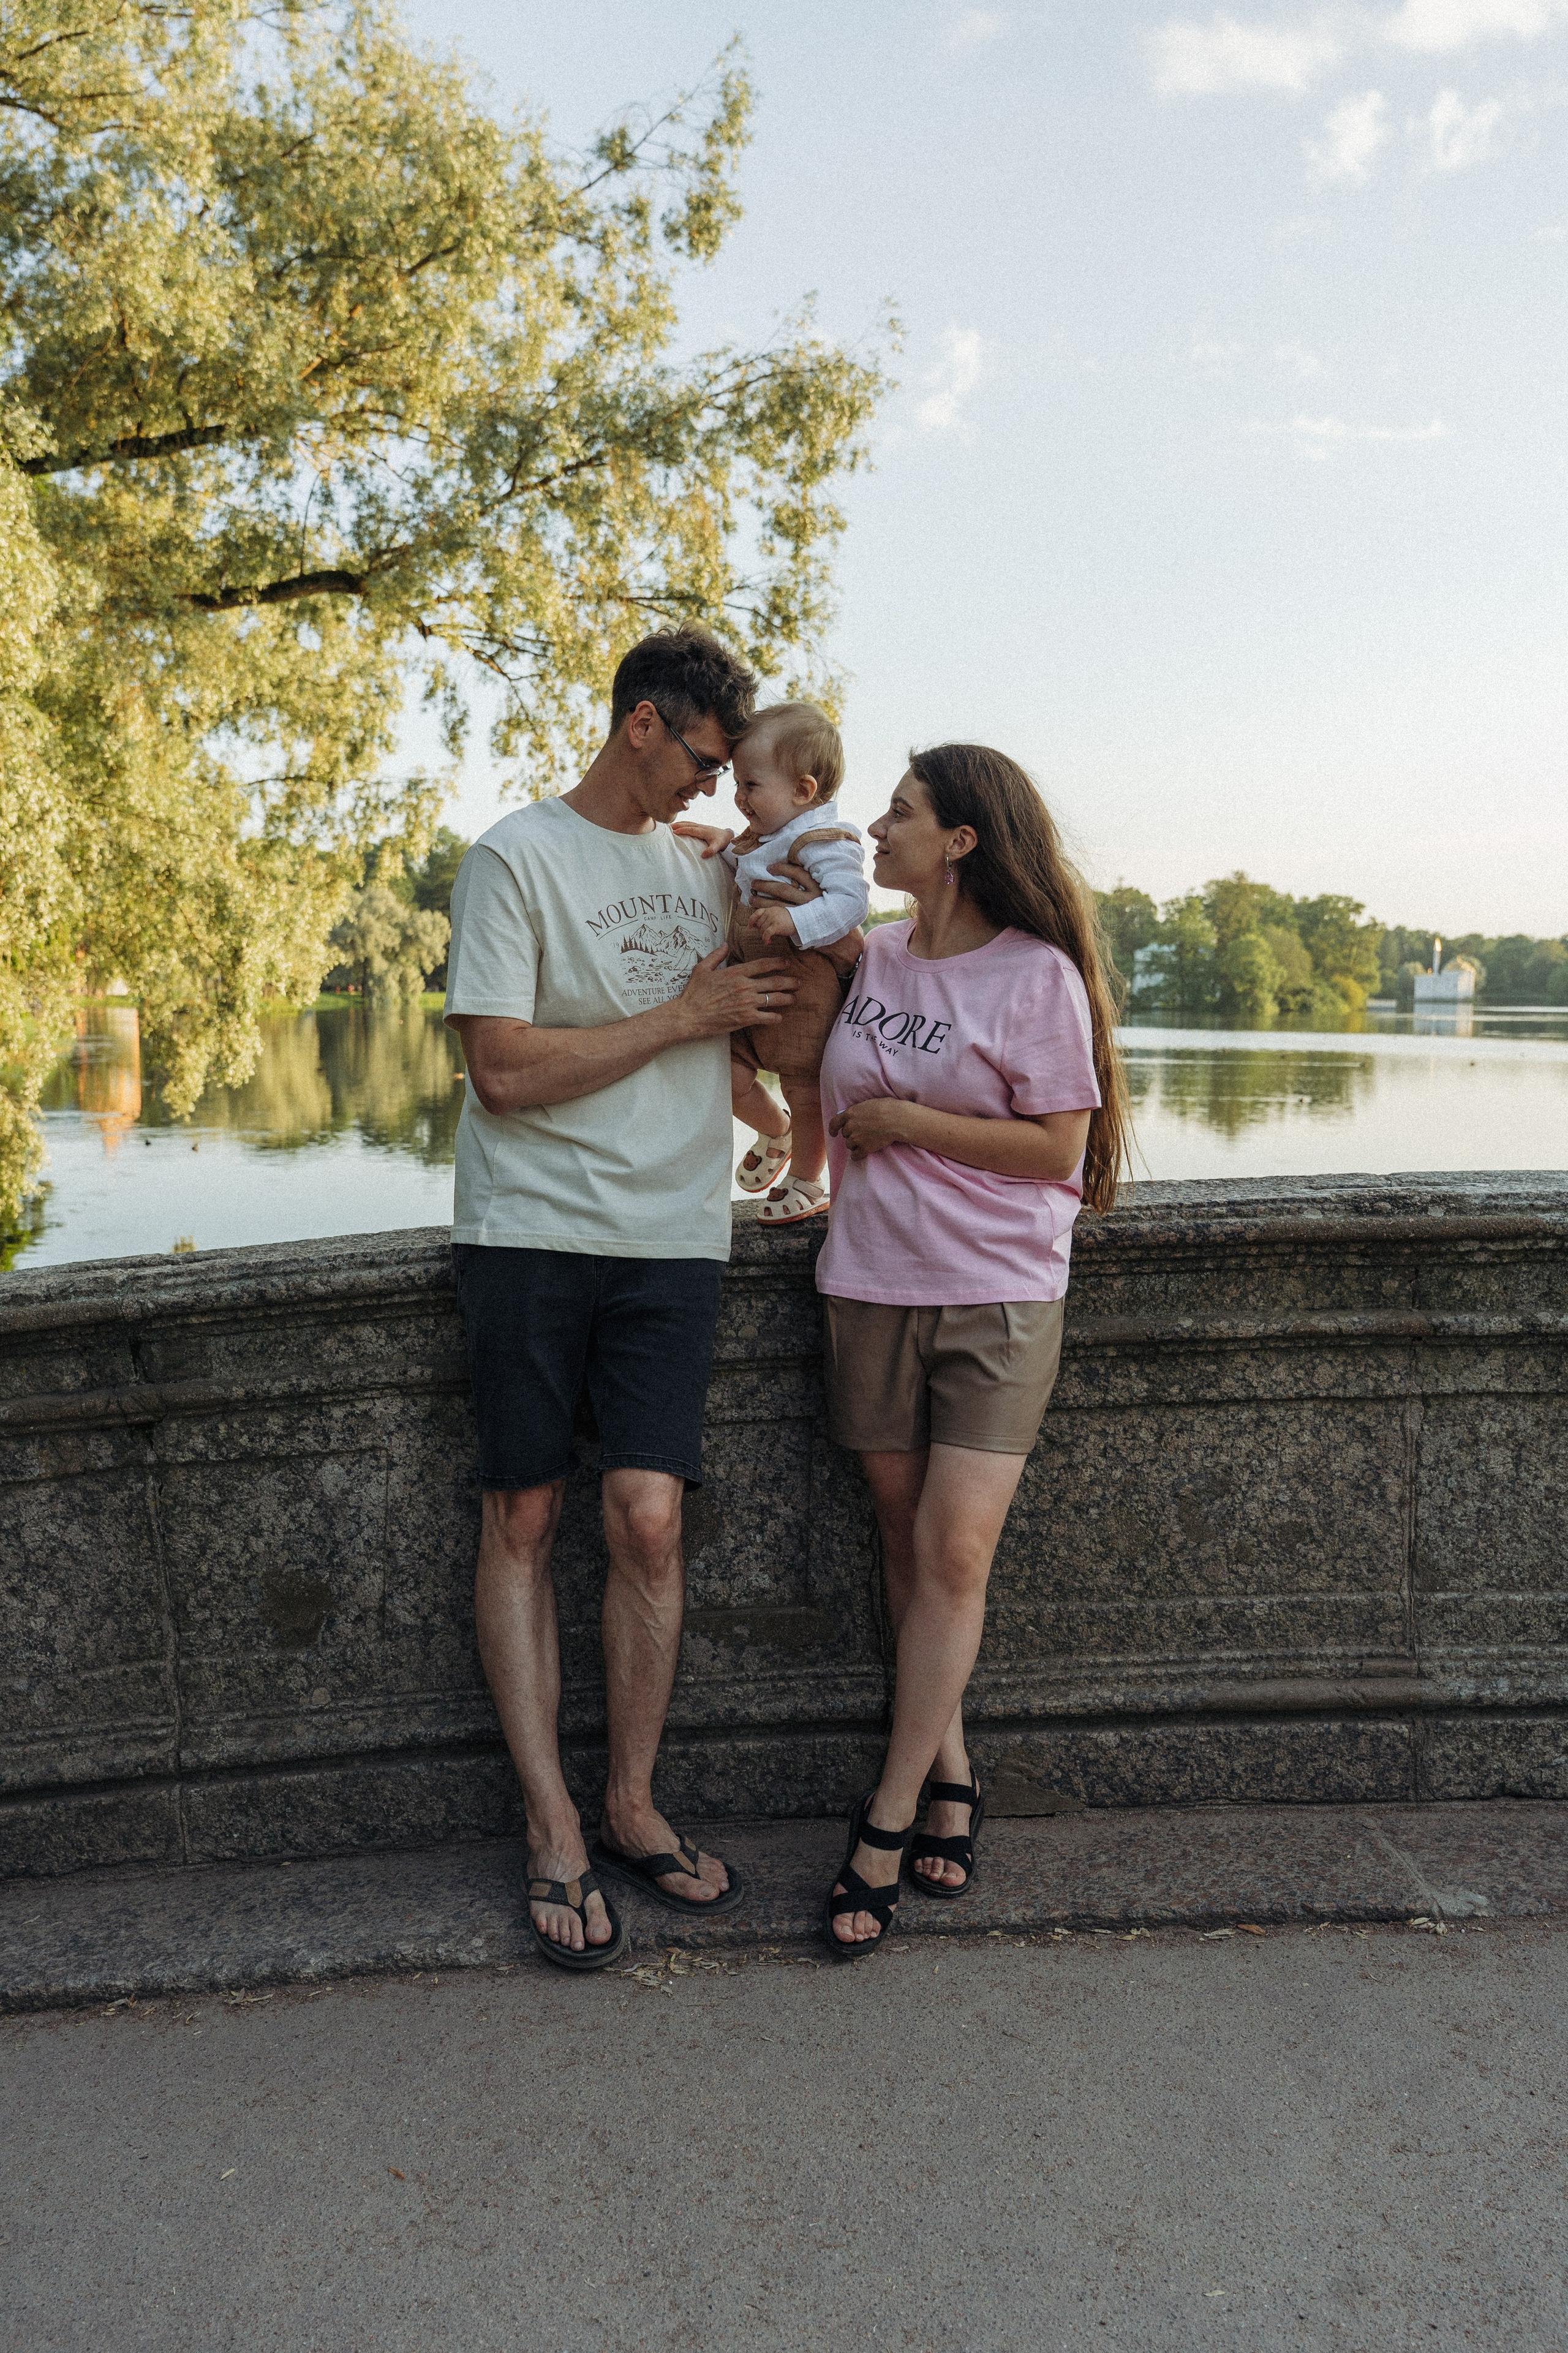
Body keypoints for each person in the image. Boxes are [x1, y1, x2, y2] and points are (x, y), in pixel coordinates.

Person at [443, 625, 802, 1973]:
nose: (713, 791)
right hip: (530, 1227)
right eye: (702, 763)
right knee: (522, 1511)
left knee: (647, 1520)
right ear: (641, 723)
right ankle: (550, 1826)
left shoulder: (708, 867)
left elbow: (751, 1021)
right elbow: (504, 1075)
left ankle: (631, 1801)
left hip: (671, 1235)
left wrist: (778, 1121)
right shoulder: (514, 857)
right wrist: (684, 1013)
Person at [812, 743, 1131, 1960]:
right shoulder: (872, 956)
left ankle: (885, 1819)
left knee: (951, 1548)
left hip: (996, 1296)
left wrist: (910, 1124)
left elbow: (1057, 1151)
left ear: (957, 842)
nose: (875, 828)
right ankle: (949, 1769)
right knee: (901, 1541)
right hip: (868, 1285)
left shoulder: (1034, 976)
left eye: (897, 812)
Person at [676, 701, 869, 1227]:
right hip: (751, 987)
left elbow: (851, 902)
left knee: (805, 1089)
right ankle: (776, 1130)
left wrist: (797, 923)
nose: (737, 796)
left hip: (802, 991)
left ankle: (808, 1180)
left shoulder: (824, 842)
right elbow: (748, 869)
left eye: (750, 784)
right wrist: (723, 846)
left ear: (803, 791)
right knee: (722, 1070)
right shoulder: (765, 835)